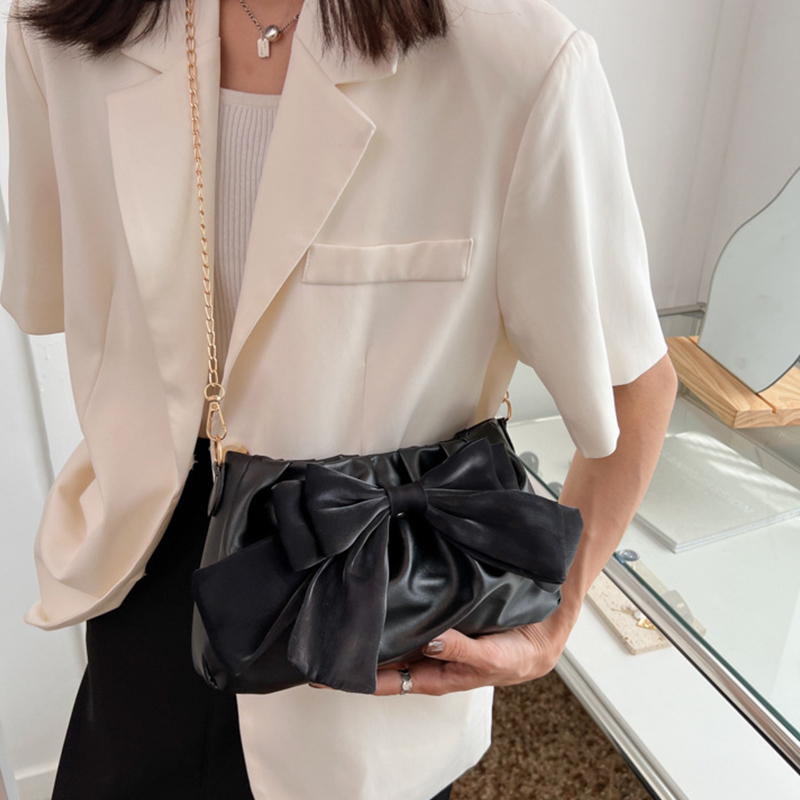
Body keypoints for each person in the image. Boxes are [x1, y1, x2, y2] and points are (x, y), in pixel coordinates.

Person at [1, 0, 678, 796]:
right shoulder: (58, 38)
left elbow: (636, 389)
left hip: (367, 621)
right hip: (145, 577)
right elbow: (53, 294)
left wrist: (554, 623)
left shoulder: (515, 64)